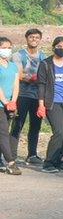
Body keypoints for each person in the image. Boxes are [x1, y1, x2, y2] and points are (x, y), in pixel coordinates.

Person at [37, 36, 63, 173]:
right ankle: (48, 163)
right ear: (54, 47)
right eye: (59, 46)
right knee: (59, 132)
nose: (62, 49)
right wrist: (41, 104)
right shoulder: (46, 64)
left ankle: (58, 160)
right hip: (52, 103)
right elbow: (41, 86)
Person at [11, 28, 45, 164]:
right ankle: (11, 155)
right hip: (22, 95)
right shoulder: (18, 55)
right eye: (31, 37)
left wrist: (34, 78)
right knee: (17, 125)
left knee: (35, 126)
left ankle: (32, 154)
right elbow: (19, 76)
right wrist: (37, 78)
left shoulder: (43, 56)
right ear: (26, 38)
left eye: (37, 37)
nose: (34, 40)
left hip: (38, 97)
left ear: (40, 40)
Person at [0, 37, 22, 175]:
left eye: (9, 47)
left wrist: (13, 101)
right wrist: (6, 102)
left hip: (9, 104)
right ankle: (10, 161)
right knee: (3, 133)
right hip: (2, 104)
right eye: (4, 47)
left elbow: (16, 85)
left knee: (3, 132)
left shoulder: (13, 66)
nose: (7, 50)